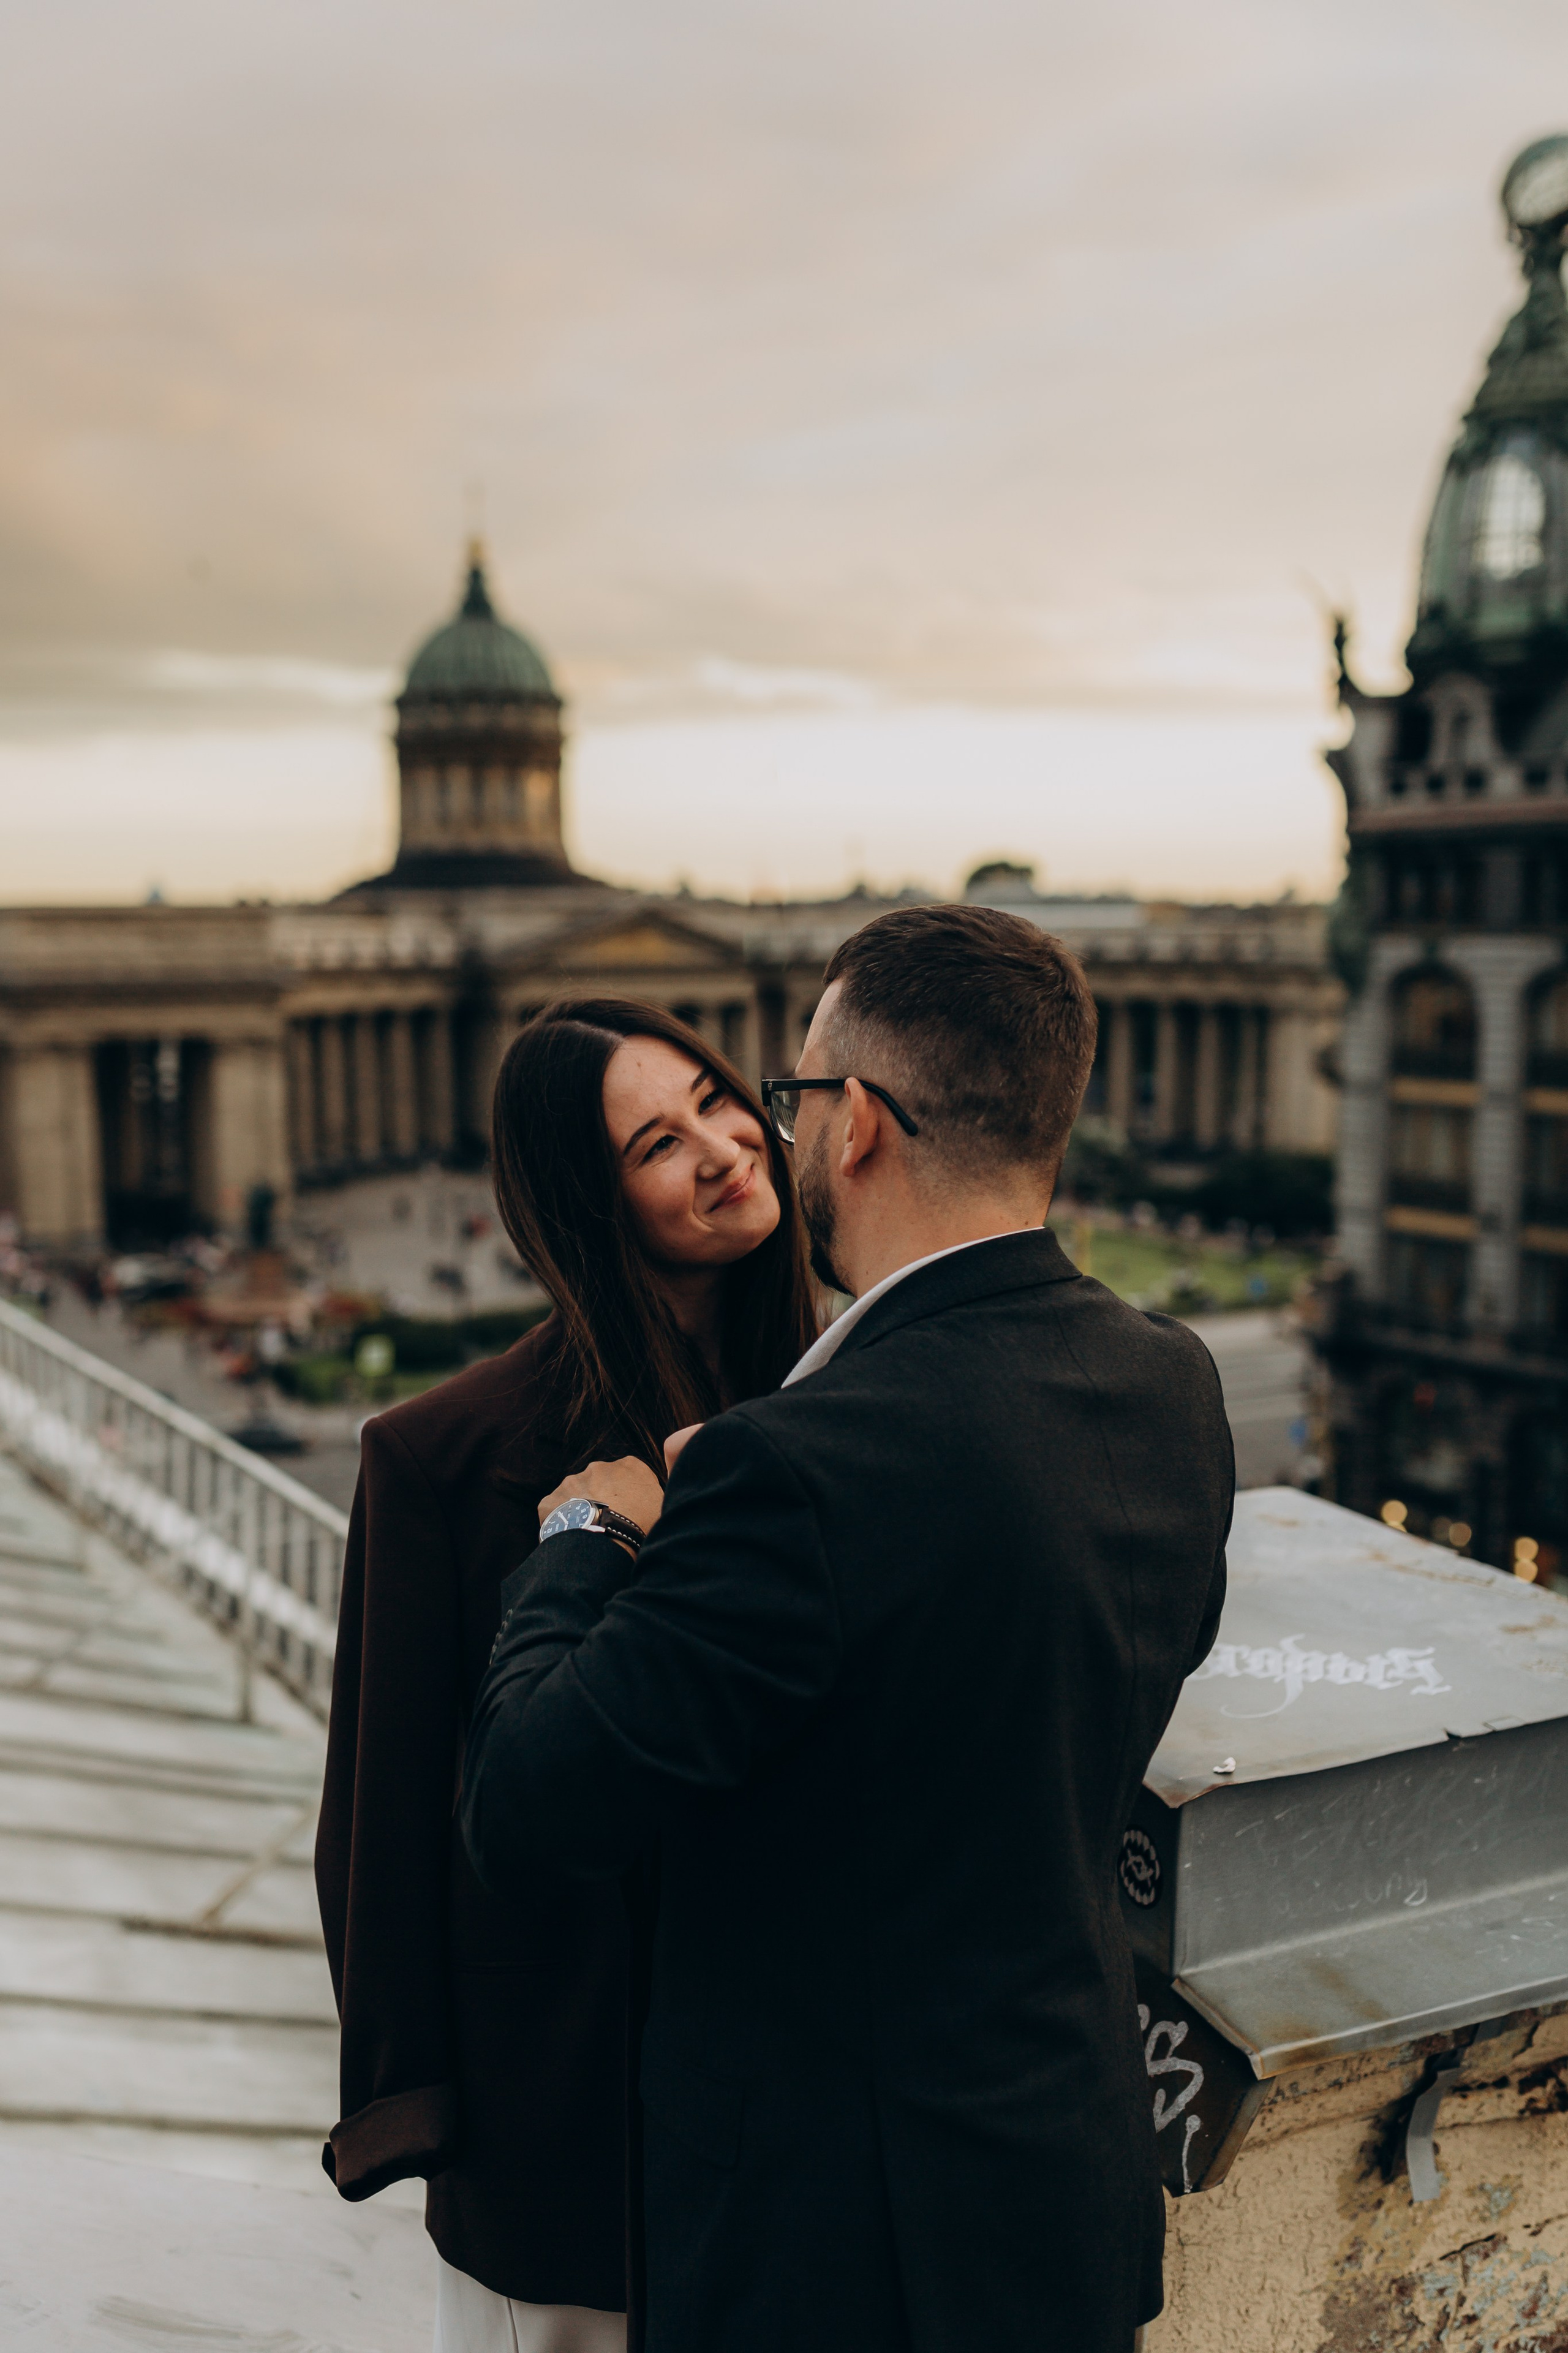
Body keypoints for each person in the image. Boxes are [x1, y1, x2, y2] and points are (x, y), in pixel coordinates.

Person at [459, 904, 1235, 2353]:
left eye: (791, 1099)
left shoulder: (796, 1465)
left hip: (828, 2260)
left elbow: (526, 1800)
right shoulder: (1168, 1385)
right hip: (1058, 2203)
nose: (779, 1136)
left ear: (858, 1123)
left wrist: (583, 1537)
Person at [314, 998, 816, 2353]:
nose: (724, 1147)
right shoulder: (443, 1454)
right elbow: (384, 1805)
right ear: (586, 1203)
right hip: (568, 2088)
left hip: (804, 2078)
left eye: (721, 1100)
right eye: (660, 1142)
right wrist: (409, 2099)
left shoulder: (848, 1394)